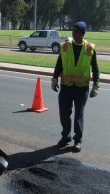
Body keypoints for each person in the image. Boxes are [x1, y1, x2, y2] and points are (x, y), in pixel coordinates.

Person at [51, 21, 99, 152]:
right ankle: (66, 137)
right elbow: (59, 64)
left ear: (82, 33)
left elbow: (95, 68)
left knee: (79, 114)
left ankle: (78, 141)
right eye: (73, 30)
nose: (73, 33)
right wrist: (54, 78)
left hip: (81, 88)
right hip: (66, 86)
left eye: (76, 31)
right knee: (64, 113)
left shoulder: (90, 48)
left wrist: (96, 85)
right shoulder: (65, 46)